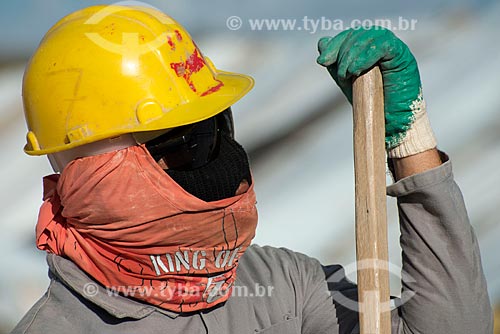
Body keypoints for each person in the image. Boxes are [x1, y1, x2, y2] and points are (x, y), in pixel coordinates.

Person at [11, 4, 492, 334]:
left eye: (219, 126)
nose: (220, 156)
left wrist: (408, 142)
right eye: (190, 142)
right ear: (98, 177)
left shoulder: (284, 288)